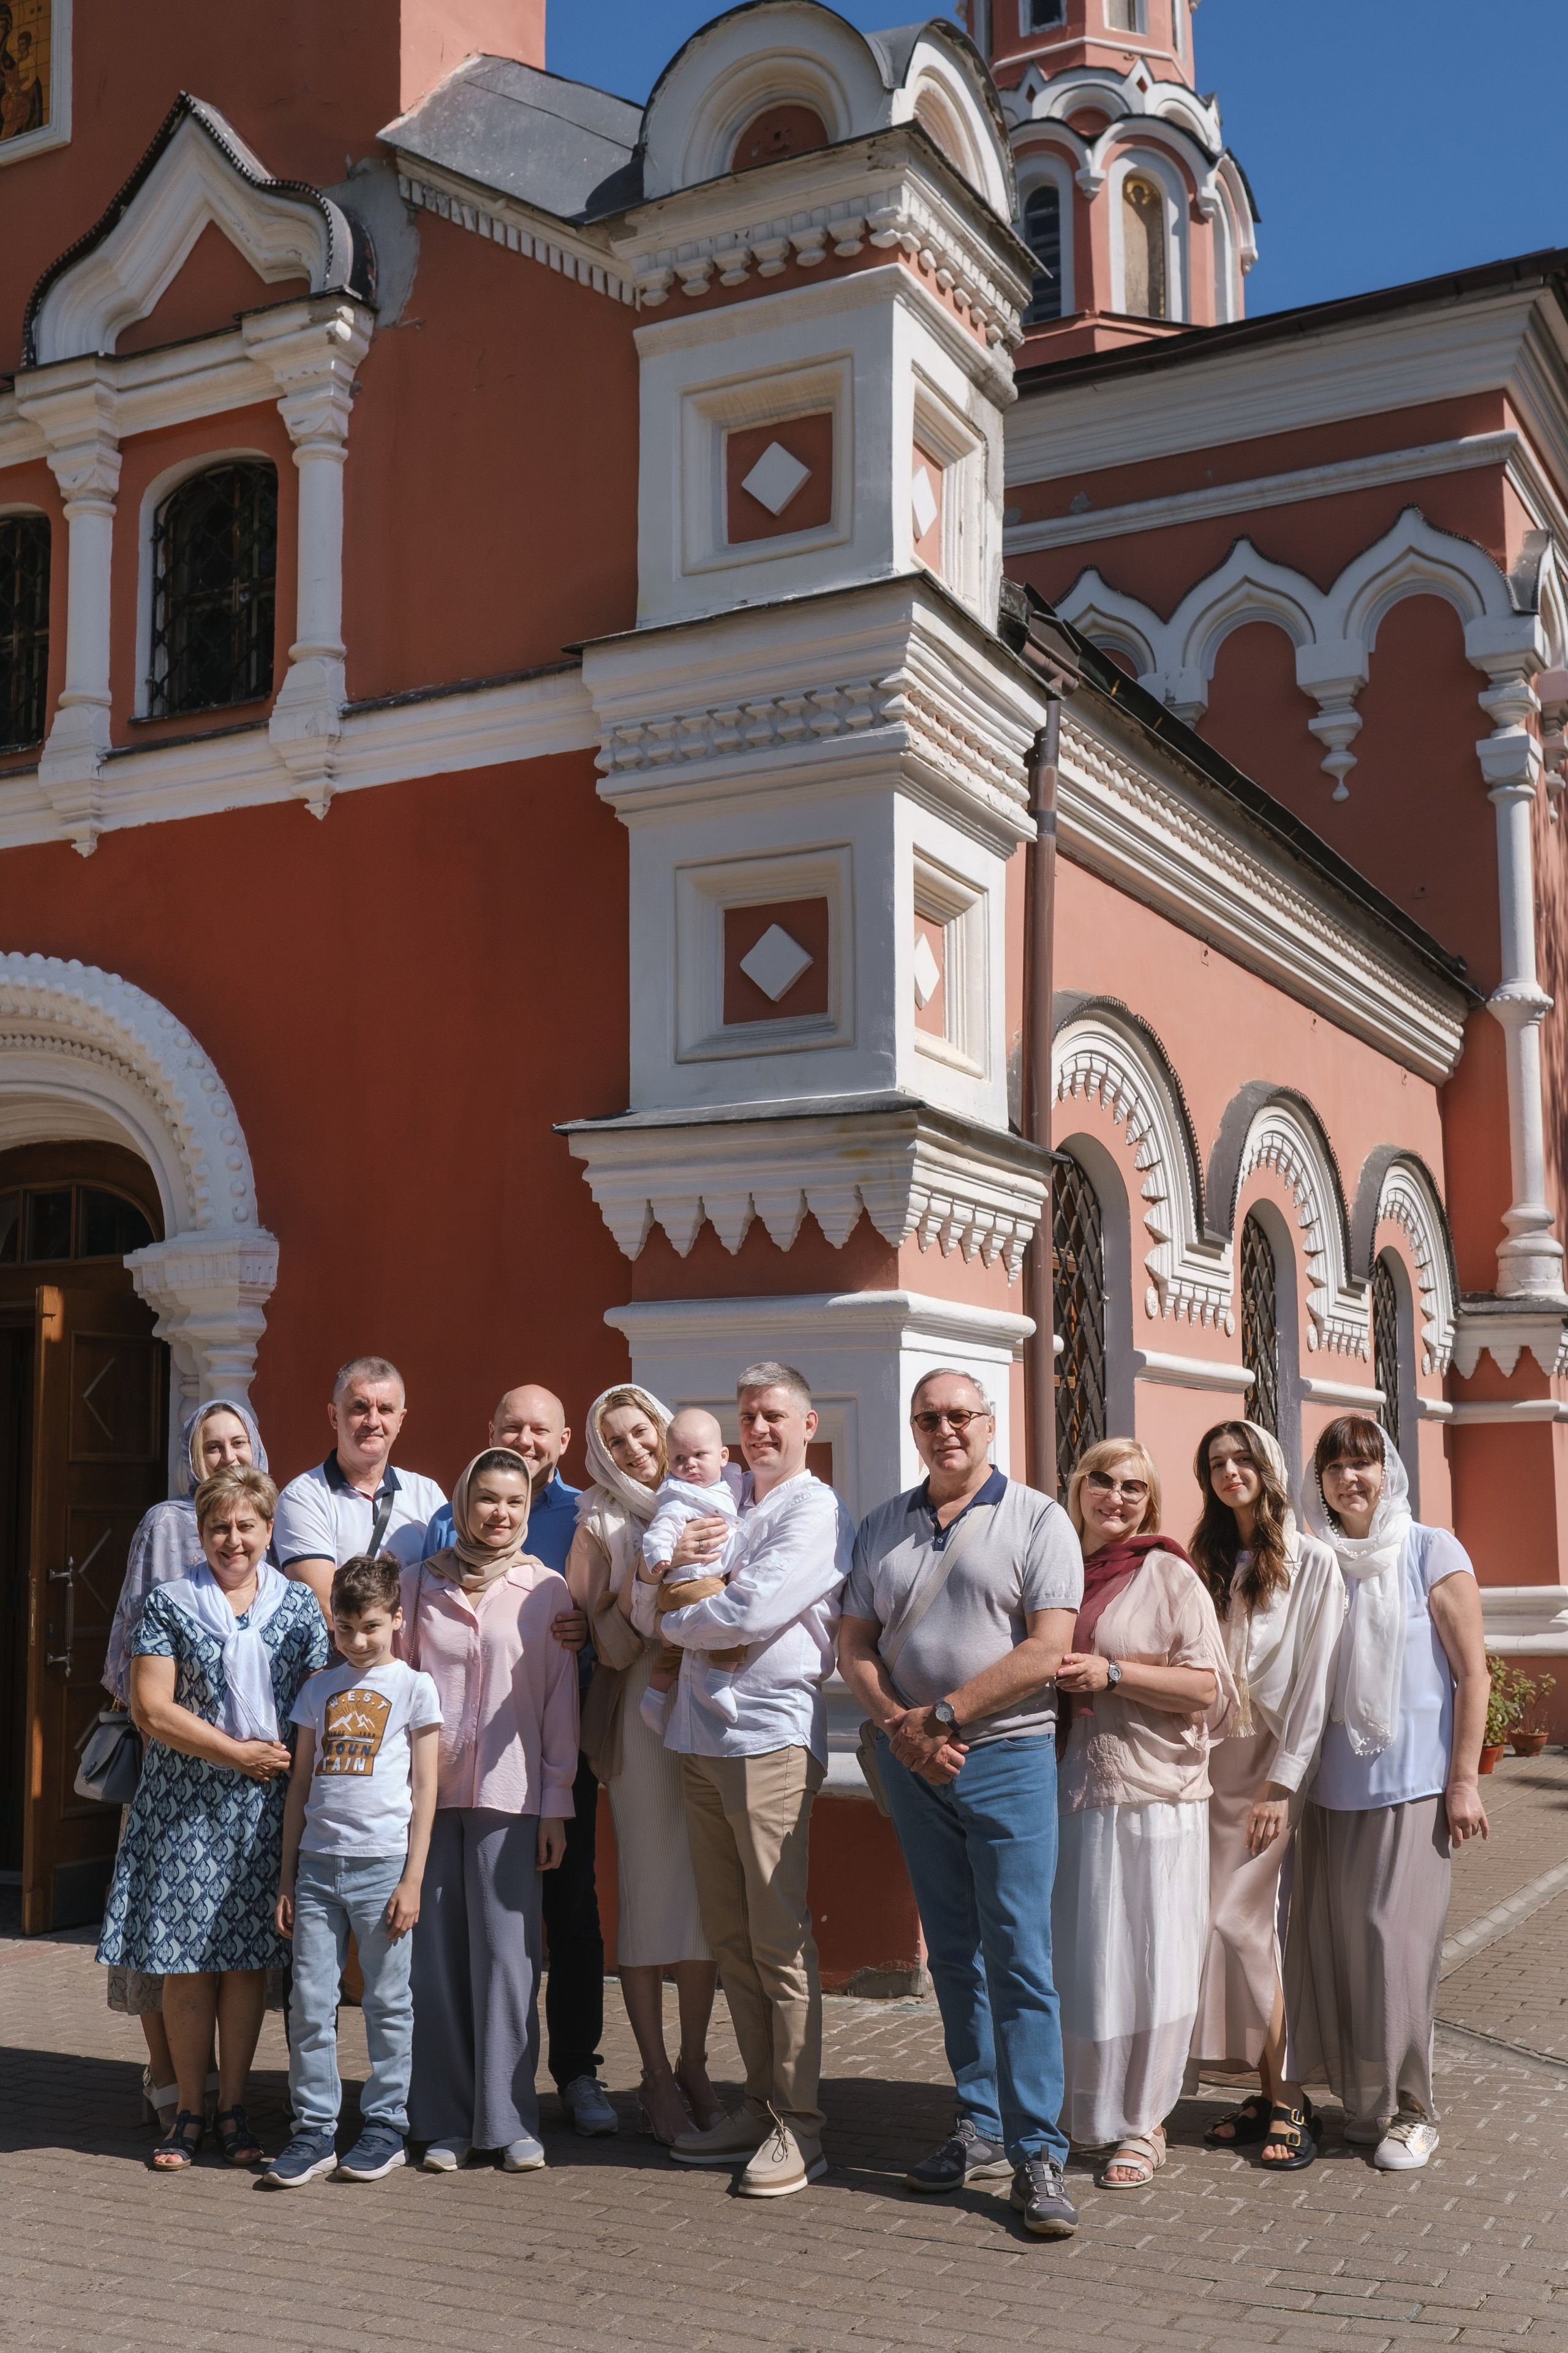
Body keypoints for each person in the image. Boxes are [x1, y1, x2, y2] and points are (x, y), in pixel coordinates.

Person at [840, 1369, 1084, 2238]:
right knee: (953, 1953)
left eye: (960, 1416)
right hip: (917, 1765)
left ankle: (1039, 2150)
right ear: (915, 1430)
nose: (946, 1430)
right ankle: (979, 2125)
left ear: (989, 1424)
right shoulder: (882, 1526)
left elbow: (1047, 1649)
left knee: (1020, 1955)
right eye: (929, 1418)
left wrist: (941, 1716)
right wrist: (902, 1729)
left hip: (1007, 1756)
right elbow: (854, 1643)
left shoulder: (1039, 1518)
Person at [652, 1362, 852, 2199]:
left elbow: (751, 1612)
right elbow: (672, 1599)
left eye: (774, 1415)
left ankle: (802, 2127)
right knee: (730, 1936)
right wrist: (691, 1614)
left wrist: (684, 1619)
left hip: (770, 1737)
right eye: (747, 1416)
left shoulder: (812, 1506)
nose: (757, 1429)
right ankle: (760, 2099)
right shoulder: (730, 1501)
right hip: (700, 1738)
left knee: (776, 1937)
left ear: (809, 1425)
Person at [96, 1465, 329, 2170]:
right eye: (219, 1527)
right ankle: (187, 2112)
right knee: (187, 1964)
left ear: (267, 1531)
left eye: (247, 1526)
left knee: (248, 1963)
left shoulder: (298, 1607)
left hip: (265, 1814)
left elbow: (317, 1703)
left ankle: (235, 2108)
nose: (234, 1540)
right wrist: (238, 1753)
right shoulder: (168, 1603)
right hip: (182, 1808)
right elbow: (151, 1708)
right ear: (201, 1534)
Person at [1285, 1414, 1490, 2171]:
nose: (1350, 1479)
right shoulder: (1319, 1560)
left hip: (1411, 1789)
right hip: (1329, 1792)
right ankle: (1365, 2106)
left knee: (1391, 1943)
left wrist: (1462, 1781)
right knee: (1341, 1950)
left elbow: (1474, 1673)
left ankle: (1415, 2110)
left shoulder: (1430, 1549)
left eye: (1364, 1464)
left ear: (1388, 1471)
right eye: (1335, 1467)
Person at [425, 1384, 613, 2137]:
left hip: (555, 1749)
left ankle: (575, 2071)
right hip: (453, 1775)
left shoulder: (589, 1518)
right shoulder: (442, 1528)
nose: (526, 1440)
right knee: (460, 1933)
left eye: (540, 1430)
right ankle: (460, 2096)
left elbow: (607, 1615)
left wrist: (586, 1630)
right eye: (512, 1427)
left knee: (566, 1913)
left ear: (563, 1440)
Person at [1053, 1438, 1232, 2191]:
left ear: (1149, 1502)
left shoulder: (1167, 1573)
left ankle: (1147, 2120)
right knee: (1087, 1958)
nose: (1116, 1497)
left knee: (1154, 1957)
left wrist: (1115, 1673)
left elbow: (1207, 1688)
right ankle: (1082, 2111)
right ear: (1079, 1486)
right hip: (1070, 1791)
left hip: (1157, 1793)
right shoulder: (1056, 1568)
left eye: (1133, 1488)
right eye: (1103, 1481)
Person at [398, 1448, 578, 2173]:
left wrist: (557, 1804)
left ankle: (507, 2118)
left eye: (514, 1502)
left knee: (509, 1959)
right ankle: (440, 2120)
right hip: (427, 1800)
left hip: (513, 1796)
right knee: (433, 1963)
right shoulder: (417, 1585)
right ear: (462, 1502)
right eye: (487, 1499)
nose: (499, 1514)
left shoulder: (547, 1590)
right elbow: (394, 1687)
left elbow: (560, 1701)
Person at [102, 1397, 266, 2131]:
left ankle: (221, 2095)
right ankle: (166, 2077)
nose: (227, 1455)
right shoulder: (166, 1524)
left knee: (232, 1942)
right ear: (191, 1455)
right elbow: (124, 1659)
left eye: (238, 1442)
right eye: (212, 1444)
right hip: (170, 1767)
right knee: (157, 1940)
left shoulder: (269, 1527)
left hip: (251, 1784)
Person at [565, 1387, 723, 2147]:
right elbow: (598, 1640)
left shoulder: (712, 1494)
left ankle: (696, 2064)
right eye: (616, 1441)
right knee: (649, 1893)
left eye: (642, 1431)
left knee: (699, 1897)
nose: (635, 1449)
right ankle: (654, 2075)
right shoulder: (597, 1521)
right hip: (639, 1712)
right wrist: (653, 1578)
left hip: (709, 1710)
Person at [1188, 1420, 1345, 2172]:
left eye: (1241, 1458)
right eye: (1215, 1463)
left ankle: (1291, 2102)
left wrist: (1285, 1781)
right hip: (1212, 1764)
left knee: (1240, 1925)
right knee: (1225, 1932)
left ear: (1269, 1467)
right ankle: (1266, 2089)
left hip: (1272, 1769)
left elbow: (1315, 1683)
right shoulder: (1207, 1559)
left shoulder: (1312, 1562)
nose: (1228, 1471)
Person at [266, 1554, 443, 2188]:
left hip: (383, 1868)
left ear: (397, 1618)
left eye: (370, 1626)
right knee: (310, 2001)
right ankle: (313, 2130)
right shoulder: (318, 1689)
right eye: (344, 1628)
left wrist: (412, 1878)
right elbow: (299, 1787)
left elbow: (427, 1789)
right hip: (316, 1868)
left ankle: (385, 2126)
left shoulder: (415, 1687)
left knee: (387, 2001)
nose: (358, 1640)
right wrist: (286, 1878)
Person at [274, 1356, 447, 1617]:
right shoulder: (303, 1497)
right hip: (344, 1659)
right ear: (334, 1416)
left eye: (386, 1409)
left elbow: (451, 1589)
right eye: (359, 1407)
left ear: (401, 1420)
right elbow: (327, 1609)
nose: (372, 1421)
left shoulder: (428, 1494)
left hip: (416, 1659)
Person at [639, 1407, 745, 1734]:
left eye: (700, 1454)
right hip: (685, 1584)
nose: (690, 1465)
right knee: (731, 1612)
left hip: (704, 1579)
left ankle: (653, 1699)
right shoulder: (678, 1495)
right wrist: (659, 1555)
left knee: (674, 1652)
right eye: (680, 1459)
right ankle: (720, 1679)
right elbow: (662, 1528)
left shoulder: (727, 1484)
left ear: (723, 1456)